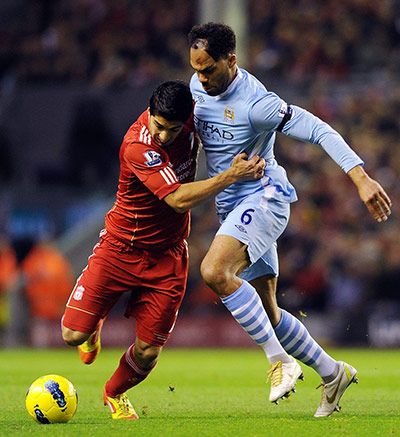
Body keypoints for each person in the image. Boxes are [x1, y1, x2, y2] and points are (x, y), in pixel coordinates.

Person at [188, 22, 392, 417]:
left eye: (209, 69)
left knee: (214, 270)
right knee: (268, 312)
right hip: (232, 207)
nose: (201, 78)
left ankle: (279, 360)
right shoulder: (197, 87)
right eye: (196, 68)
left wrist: (361, 177)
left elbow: (318, 129)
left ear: (231, 60)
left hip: (265, 197)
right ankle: (333, 373)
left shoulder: (256, 103)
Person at [61, 80, 265, 420]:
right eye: (158, 126)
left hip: (168, 255)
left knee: (148, 351)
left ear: (186, 119)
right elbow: (176, 199)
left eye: (172, 129)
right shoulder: (137, 145)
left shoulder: (195, 118)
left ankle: (115, 393)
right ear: (150, 113)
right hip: (119, 247)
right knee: (72, 334)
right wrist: (229, 176)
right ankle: (92, 328)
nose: (164, 136)